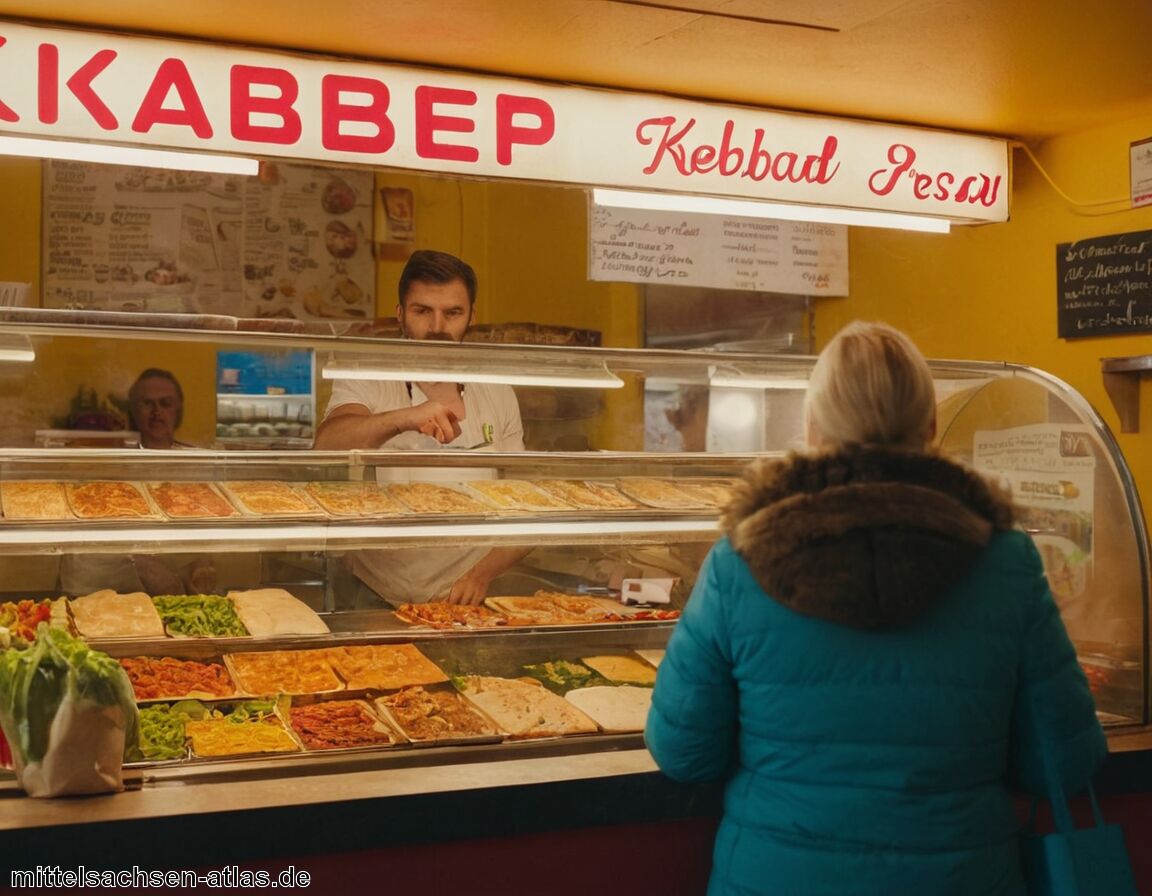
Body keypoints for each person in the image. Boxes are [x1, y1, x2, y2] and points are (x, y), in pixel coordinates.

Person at [645, 320, 1107, 896]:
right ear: (931, 428)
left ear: (812, 429)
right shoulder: (1006, 562)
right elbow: (1061, 763)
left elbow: (683, 752)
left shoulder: (740, 562)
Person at [314, 249, 527, 605]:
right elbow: (327, 446)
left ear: (472, 315)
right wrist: (403, 419)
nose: (437, 328)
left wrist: (482, 574)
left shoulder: (497, 391)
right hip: (377, 593)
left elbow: (527, 507)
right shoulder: (369, 379)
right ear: (400, 313)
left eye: (453, 313)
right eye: (422, 311)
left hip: (471, 597)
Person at [127, 368, 191, 449]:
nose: (157, 411)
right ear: (134, 410)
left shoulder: (196, 458)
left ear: (178, 410)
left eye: (165, 403)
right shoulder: (116, 458)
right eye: (148, 403)